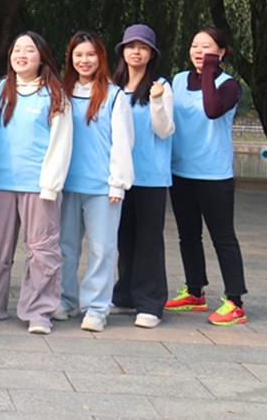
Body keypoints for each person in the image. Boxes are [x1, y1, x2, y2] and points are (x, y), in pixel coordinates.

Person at [0, 31, 72, 335]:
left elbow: (62, 143)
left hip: (39, 187)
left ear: (41, 56)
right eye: (16, 49)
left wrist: (51, 185)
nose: (21, 55)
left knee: (42, 250)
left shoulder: (55, 93)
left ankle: (39, 311)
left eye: (28, 50)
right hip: (2, 182)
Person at [165, 26, 247, 325]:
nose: (199, 51)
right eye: (195, 45)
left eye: (207, 47)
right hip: (181, 171)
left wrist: (210, 70)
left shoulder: (229, 85)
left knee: (223, 237)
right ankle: (194, 292)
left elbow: (212, 110)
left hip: (214, 174)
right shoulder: (178, 80)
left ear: (221, 53)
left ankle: (235, 302)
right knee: (188, 235)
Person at [56, 31, 134, 332]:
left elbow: (123, 142)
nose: (84, 60)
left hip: (102, 187)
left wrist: (118, 182)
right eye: (78, 55)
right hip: (67, 184)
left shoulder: (114, 95)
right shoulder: (62, 92)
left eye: (90, 54)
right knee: (65, 247)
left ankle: (96, 307)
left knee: (102, 250)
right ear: (70, 59)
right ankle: (66, 299)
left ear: (100, 57)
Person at [111, 24, 174, 329]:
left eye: (143, 47)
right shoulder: (112, 87)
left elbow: (164, 130)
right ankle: (124, 295)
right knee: (124, 237)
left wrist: (158, 101)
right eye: (131, 46)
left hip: (150, 176)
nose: (136, 52)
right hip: (120, 175)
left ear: (151, 54)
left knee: (148, 240)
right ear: (123, 51)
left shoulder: (161, 86)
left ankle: (150, 303)